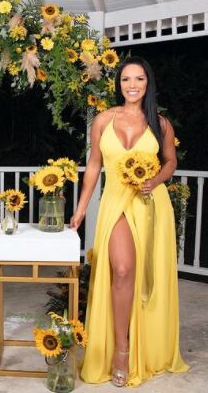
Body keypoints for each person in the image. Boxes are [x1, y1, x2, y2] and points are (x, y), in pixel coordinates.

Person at [70, 56, 189, 387]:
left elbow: (170, 161)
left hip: (150, 204)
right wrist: (81, 208)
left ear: (148, 83)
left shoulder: (160, 123)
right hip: (115, 202)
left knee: (147, 277)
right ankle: (121, 350)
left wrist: (156, 180)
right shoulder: (102, 120)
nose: (132, 85)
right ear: (118, 84)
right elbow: (94, 165)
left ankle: (145, 345)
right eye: (126, 79)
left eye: (139, 79)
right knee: (121, 270)